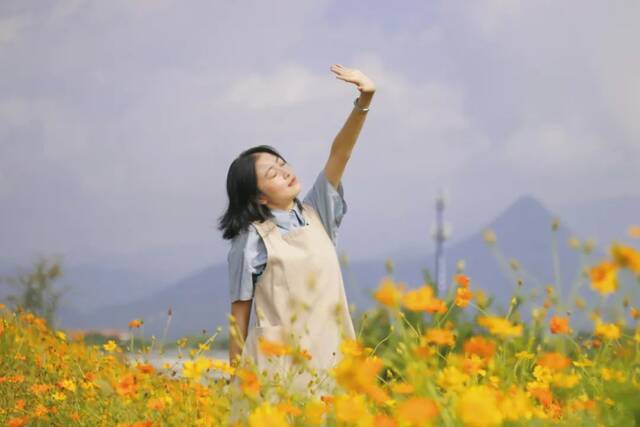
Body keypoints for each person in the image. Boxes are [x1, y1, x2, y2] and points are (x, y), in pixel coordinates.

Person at [218, 64, 375, 396]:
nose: (285, 172)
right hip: (279, 374)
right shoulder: (251, 241)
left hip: (334, 360)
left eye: (282, 164)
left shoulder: (319, 210)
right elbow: (238, 320)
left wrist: (365, 100)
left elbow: (341, 154)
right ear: (258, 195)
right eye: (272, 174)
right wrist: (235, 389)